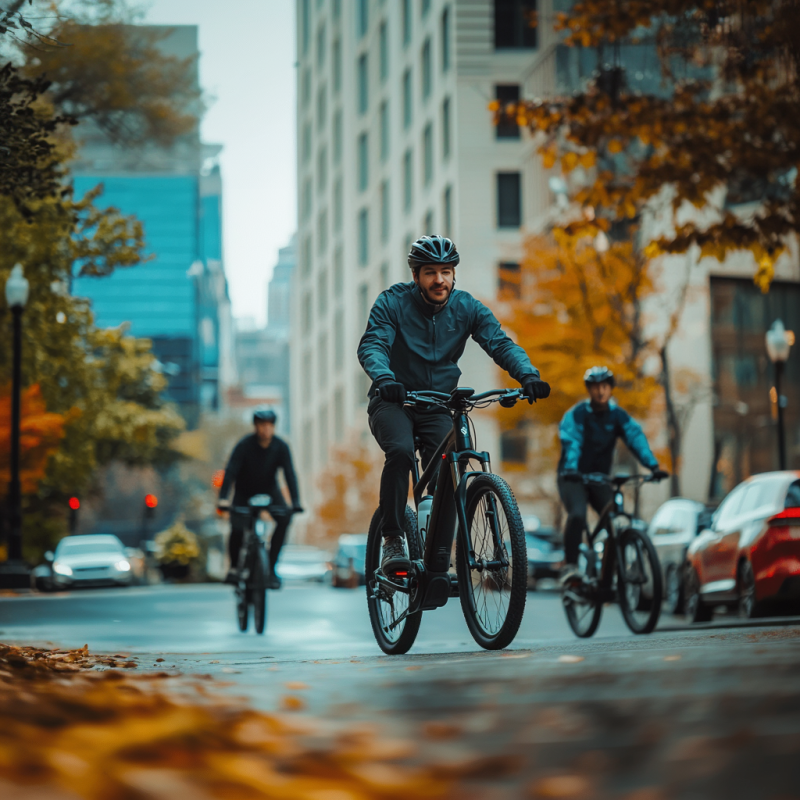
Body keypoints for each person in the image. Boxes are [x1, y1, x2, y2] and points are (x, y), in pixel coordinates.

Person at [357, 234, 550, 575]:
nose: (439, 280)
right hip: (394, 400)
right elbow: (373, 344)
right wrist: (385, 378)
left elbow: (500, 343)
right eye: (430, 272)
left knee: (453, 466)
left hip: (437, 405)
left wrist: (527, 375)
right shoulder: (392, 303)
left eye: (446, 271)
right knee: (400, 452)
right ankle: (391, 539)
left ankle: (438, 551)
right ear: (416, 275)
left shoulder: (467, 308)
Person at [558, 366, 667, 583]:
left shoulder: (618, 416)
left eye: (605, 387)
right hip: (573, 477)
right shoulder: (576, 415)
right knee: (578, 514)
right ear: (589, 389)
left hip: (600, 477)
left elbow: (635, 438)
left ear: (611, 389)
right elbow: (573, 442)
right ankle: (570, 565)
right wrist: (571, 468)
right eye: (596, 387)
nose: (600, 392)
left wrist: (653, 466)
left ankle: (609, 575)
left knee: (615, 521)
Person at [218, 408, 303, 589]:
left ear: (273, 427)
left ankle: (270, 569)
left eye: (269, 425)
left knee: (284, 518)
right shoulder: (244, 445)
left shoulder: (281, 446)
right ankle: (234, 568)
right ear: (255, 427)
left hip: (269, 490)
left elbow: (289, 474)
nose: (265, 429)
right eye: (261, 425)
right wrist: (223, 498)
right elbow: (230, 471)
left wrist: (295, 501)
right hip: (244, 492)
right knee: (238, 527)